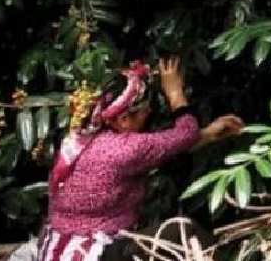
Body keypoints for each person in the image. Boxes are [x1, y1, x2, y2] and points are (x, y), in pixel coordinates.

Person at [37, 57, 244, 261]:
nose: (150, 110)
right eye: (144, 107)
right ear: (124, 119)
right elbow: (186, 133)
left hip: (57, 249)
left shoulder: (83, 139)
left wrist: (208, 134)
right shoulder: (125, 149)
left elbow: (160, 153)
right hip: (87, 253)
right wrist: (174, 92)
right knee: (181, 231)